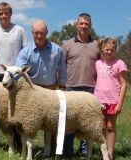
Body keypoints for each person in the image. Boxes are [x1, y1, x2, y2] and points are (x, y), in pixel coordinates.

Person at [15, 19, 67, 156]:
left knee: (51, 121)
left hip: (50, 91)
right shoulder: (25, 52)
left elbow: (62, 69)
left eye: (41, 33)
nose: (39, 36)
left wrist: (62, 86)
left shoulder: (57, 50)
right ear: (32, 33)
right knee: (27, 120)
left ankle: (50, 151)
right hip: (31, 92)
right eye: (36, 33)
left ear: (47, 32)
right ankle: (25, 150)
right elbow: (19, 71)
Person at [0, 2, 29, 150]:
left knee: (16, 109)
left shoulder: (20, 31)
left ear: (11, 14)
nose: (4, 16)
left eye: (6, 13)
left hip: (15, 77)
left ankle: (19, 142)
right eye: (1, 13)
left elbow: (25, 53)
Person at [61, 13, 100, 157]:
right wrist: (63, 86)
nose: (84, 26)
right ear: (77, 25)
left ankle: (85, 151)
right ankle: (68, 149)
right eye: (81, 23)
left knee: (87, 122)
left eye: (86, 24)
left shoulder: (97, 46)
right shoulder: (67, 45)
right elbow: (61, 66)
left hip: (90, 88)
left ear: (90, 26)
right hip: (72, 88)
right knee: (70, 121)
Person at [95, 38, 127, 160]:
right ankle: (102, 152)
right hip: (99, 100)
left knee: (110, 127)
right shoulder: (98, 63)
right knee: (102, 126)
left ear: (115, 50)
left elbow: (124, 85)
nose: (109, 52)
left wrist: (120, 103)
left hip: (113, 100)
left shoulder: (120, 63)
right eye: (107, 49)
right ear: (103, 49)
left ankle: (110, 153)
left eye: (112, 50)